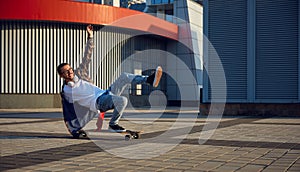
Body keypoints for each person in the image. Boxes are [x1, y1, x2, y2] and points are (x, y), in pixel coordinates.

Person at [57, 25, 162, 135]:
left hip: (105, 94)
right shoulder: (66, 92)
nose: (70, 72)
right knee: (122, 100)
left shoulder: (80, 73)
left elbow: (87, 56)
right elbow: (69, 111)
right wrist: (74, 130)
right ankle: (113, 124)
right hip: (98, 103)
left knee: (124, 76)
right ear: (61, 75)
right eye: (66, 71)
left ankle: (149, 80)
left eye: (70, 69)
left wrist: (90, 37)